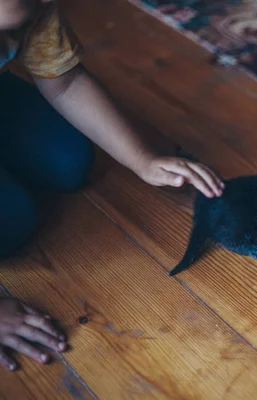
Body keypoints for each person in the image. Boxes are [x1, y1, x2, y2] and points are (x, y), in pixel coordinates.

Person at [0, 0, 224, 371]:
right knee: (12, 223)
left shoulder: (31, 6)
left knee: (70, 161)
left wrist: (142, 159)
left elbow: (66, 81)